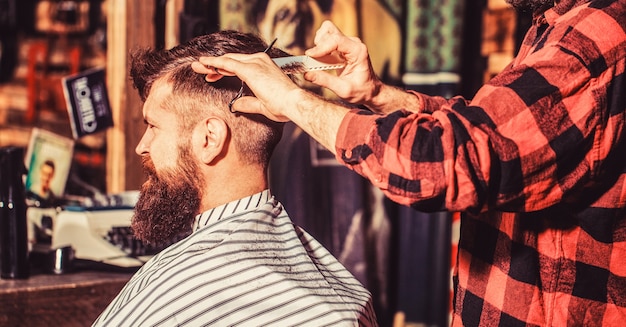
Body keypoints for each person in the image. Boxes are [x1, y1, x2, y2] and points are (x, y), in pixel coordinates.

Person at [192, 0, 626, 326]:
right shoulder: (553, 27)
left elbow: (439, 162)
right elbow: (494, 132)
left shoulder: (597, 39)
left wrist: (289, 97)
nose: (143, 146)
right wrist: (377, 97)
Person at [92, 30, 377, 326]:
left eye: (153, 125)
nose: (142, 145)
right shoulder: (348, 300)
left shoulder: (175, 295)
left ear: (209, 138)